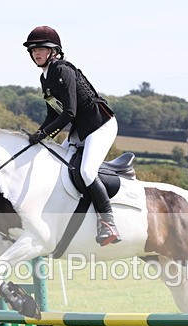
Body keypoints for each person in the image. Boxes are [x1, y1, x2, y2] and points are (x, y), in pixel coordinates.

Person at [23, 25, 121, 246]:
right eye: (33, 50)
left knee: (86, 171)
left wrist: (44, 135)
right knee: (58, 166)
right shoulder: (45, 77)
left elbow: (69, 112)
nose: (36, 53)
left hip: (100, 126)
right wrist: (38, 134)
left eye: (41, 48)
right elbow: (52, 113)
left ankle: (108, 222)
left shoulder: (62, 70)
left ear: (53, 51)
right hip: (80, 129)